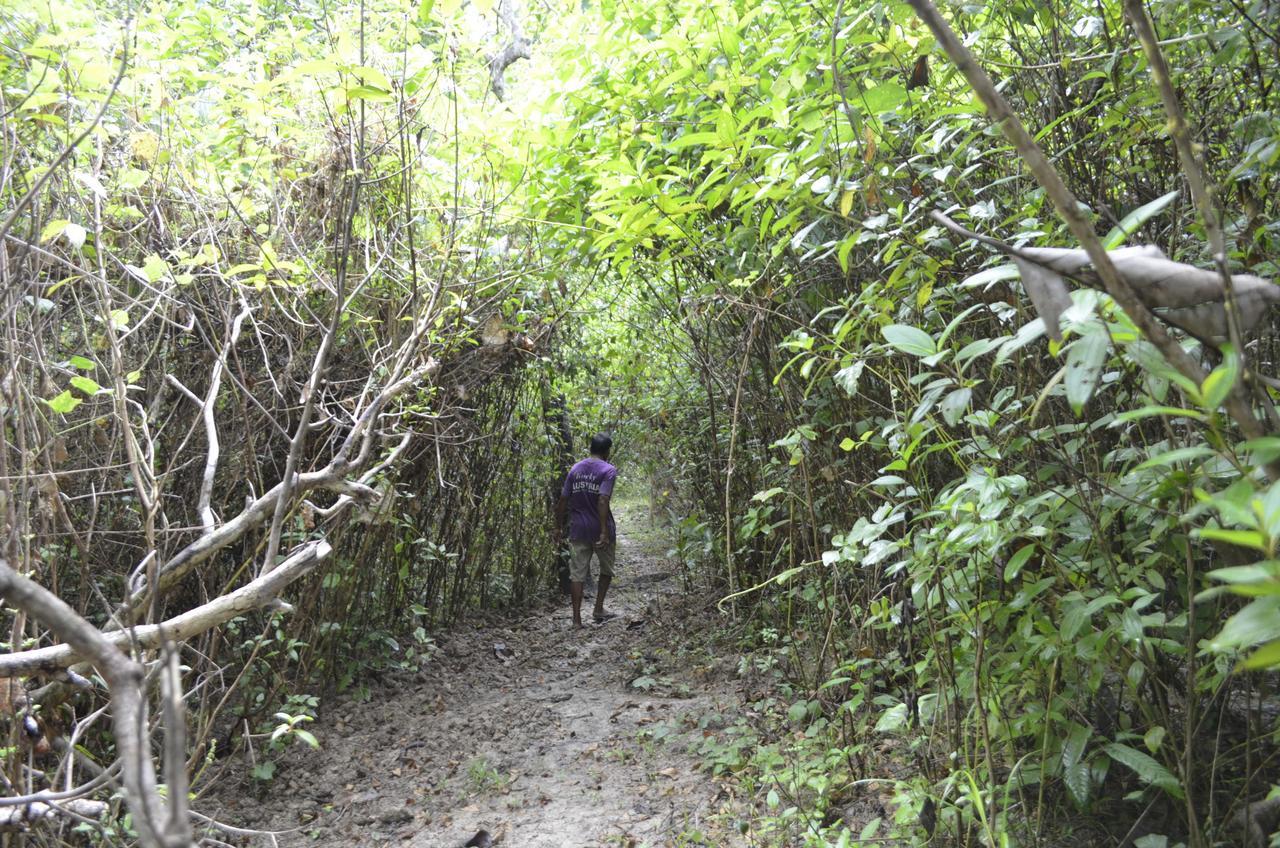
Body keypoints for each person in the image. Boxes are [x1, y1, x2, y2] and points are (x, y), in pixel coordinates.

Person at [554, 433, 617, 628]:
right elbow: (603, 499)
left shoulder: (575, 469)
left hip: (578, 529)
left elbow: (563, 500)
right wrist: (604, 531)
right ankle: (598, 608)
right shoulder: (608, 470)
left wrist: (557, 527)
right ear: (607, 451)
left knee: (577, 574)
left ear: (591, 448)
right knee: (606, 569)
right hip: (601, 528)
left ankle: (576, 620)